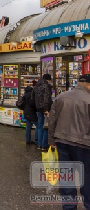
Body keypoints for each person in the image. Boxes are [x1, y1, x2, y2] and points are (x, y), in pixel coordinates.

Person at [48, 74, 90, 210]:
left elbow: (52, 120)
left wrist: (51, 141)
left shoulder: (61, 97)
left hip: (62, 141)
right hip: (84, 144)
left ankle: (69, 206)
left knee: (66, 176)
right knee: (87, 177)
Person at [32, 73, 52, 150]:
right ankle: (44, 145)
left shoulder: (36, 86)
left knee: (39, 126)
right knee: (46, 126)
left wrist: (36, 106)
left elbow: (32, 98)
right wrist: (46, 109)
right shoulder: (46, 86)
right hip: (44, 109)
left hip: (38, 109)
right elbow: (46, 98)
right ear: (48, 79)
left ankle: (39, 144)